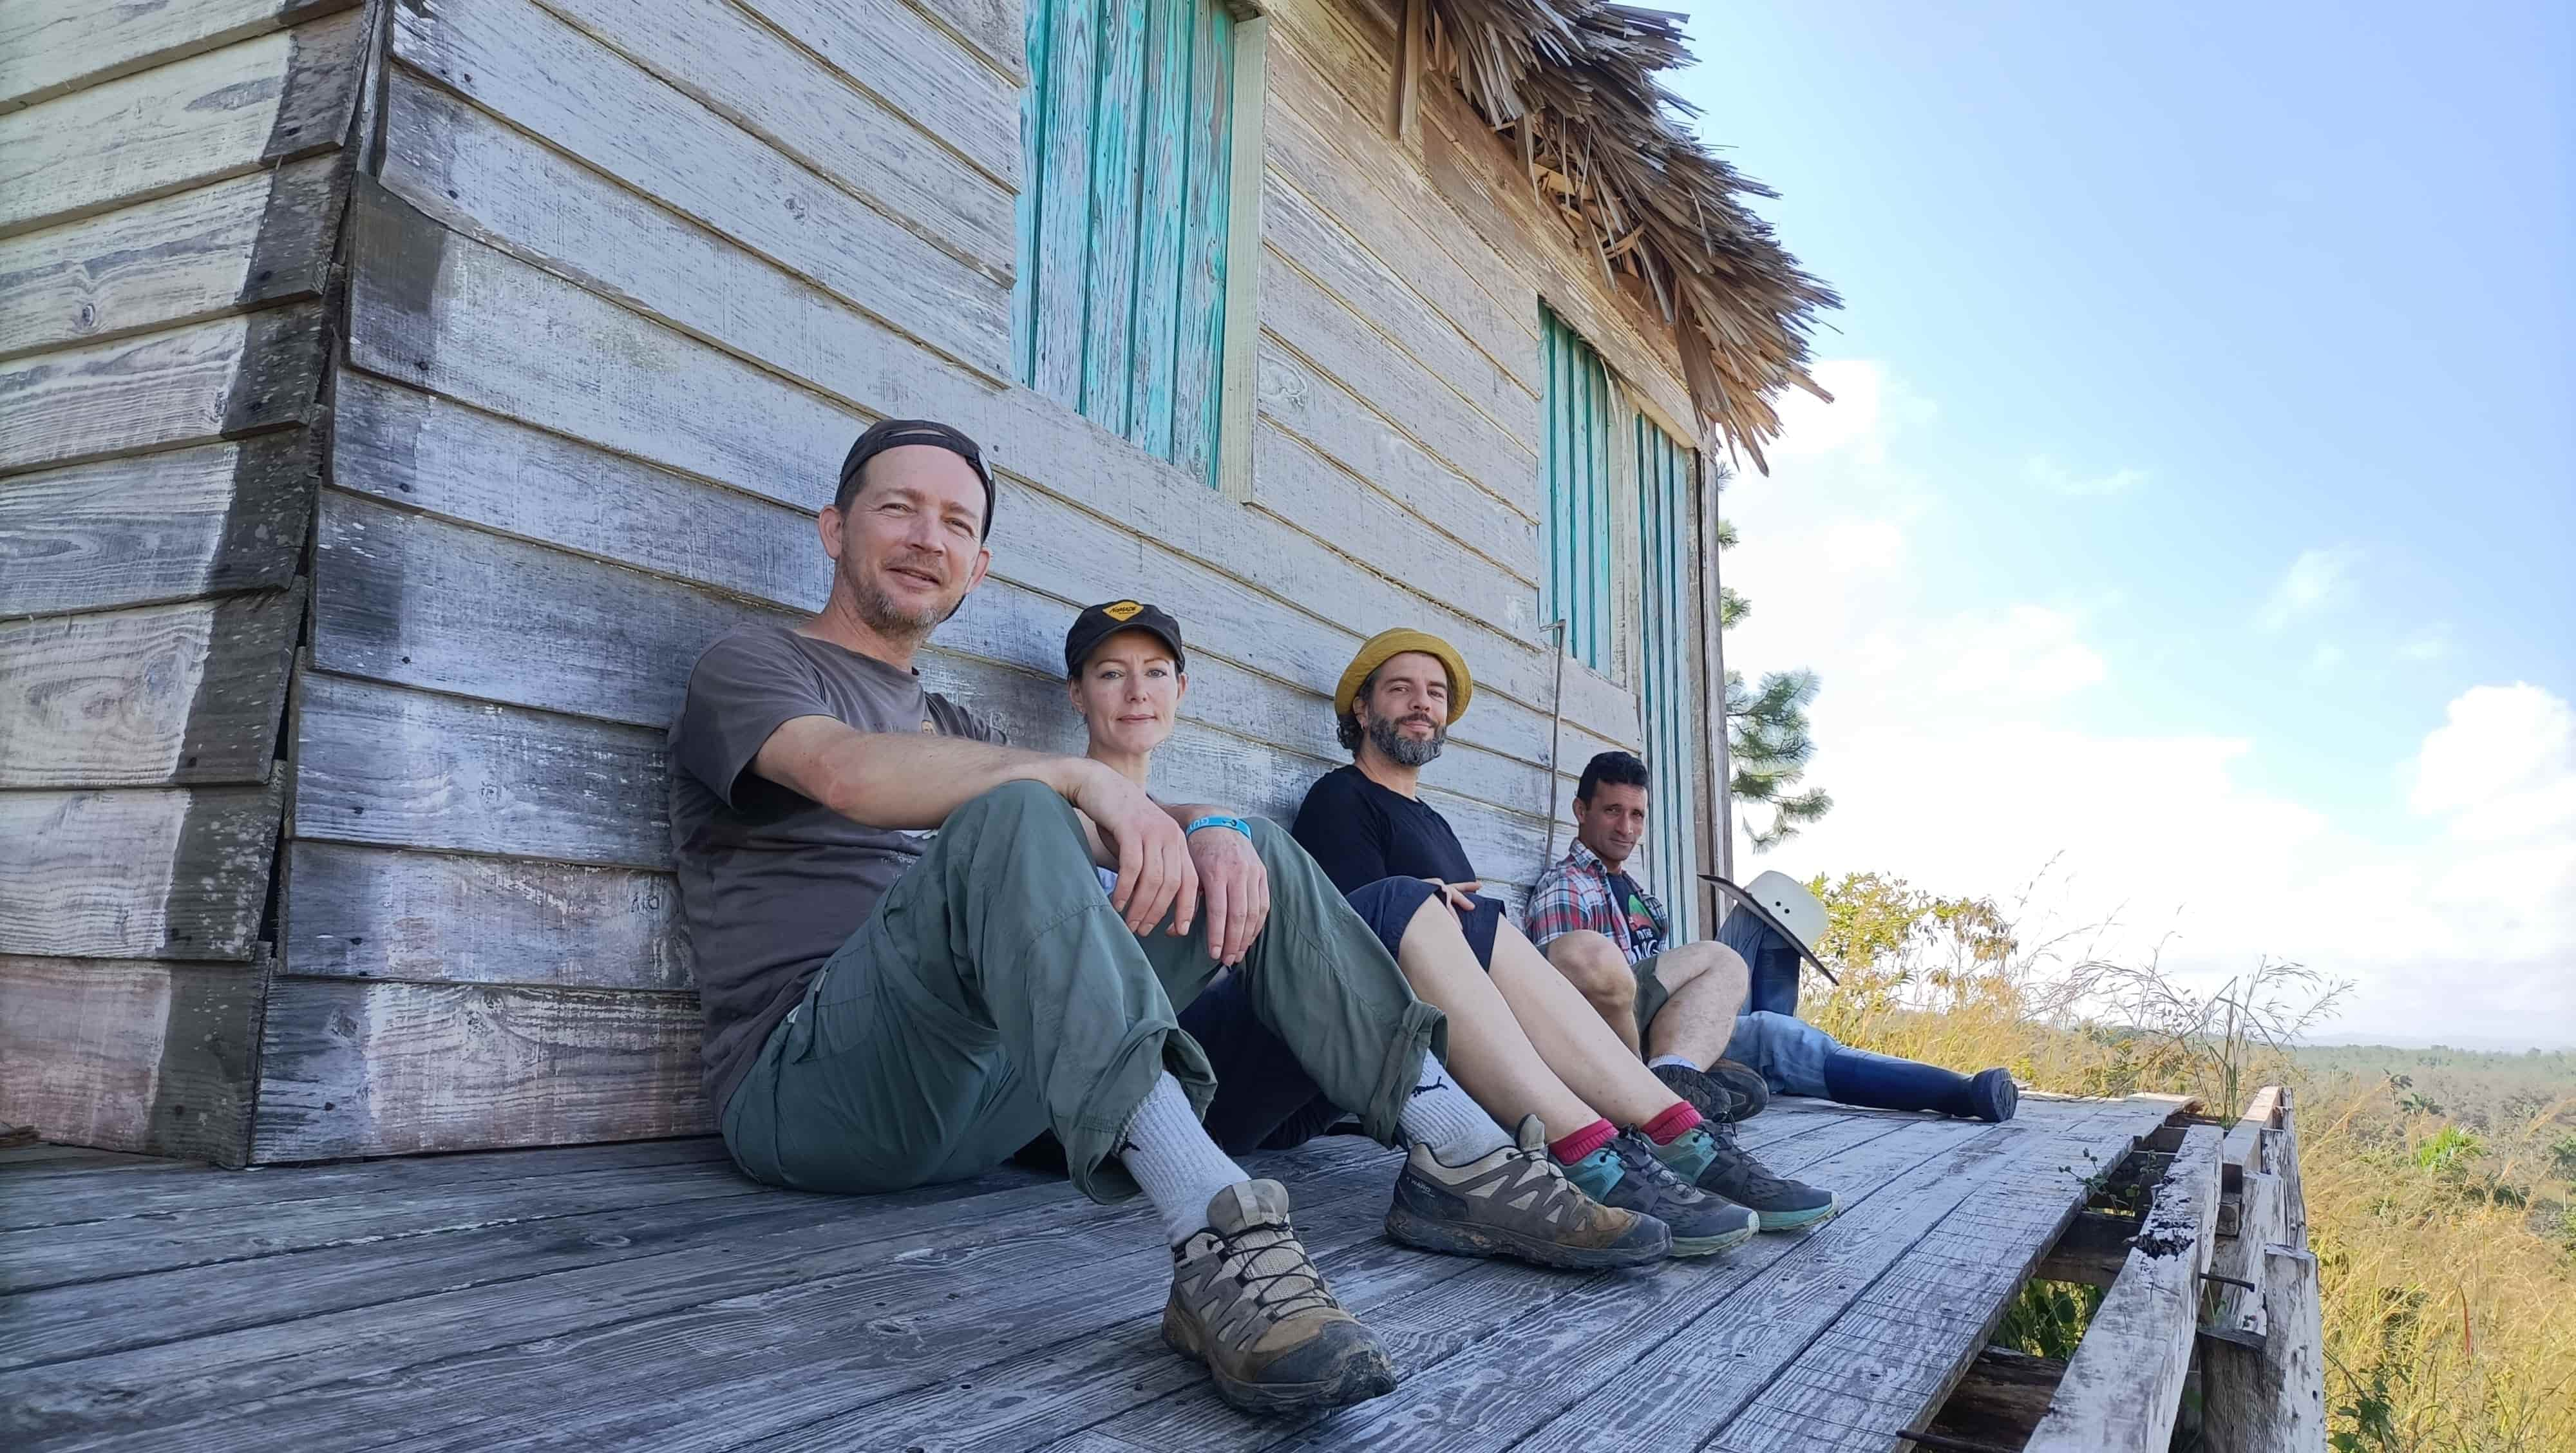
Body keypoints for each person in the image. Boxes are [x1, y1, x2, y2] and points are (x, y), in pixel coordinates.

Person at [669, 420, 1666, 1417]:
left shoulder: (958, 728)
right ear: (834, 527)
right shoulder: (755, 663)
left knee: (1256, 848)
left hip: (980, 1105)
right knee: (1020, 810)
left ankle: (1456, 1150)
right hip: (806, 1093)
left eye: (955, 522)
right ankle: (1215, 1232)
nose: (928, 537)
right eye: (899, 508)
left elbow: (1103, 825)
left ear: (978, 566)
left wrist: (1218, 825)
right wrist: (1066, 778)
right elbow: (841, 773)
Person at [1051, 600, 1692, 1264]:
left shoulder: (1211, 834)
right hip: (1150, 1082)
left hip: (1265, 1089)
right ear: (1076, 692)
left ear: (1179, 691)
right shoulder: (1048, 820)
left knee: (1446, 916)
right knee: (1393, 905)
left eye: (1155, 673)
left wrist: (1212, 828)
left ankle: (1650, 1129)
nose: (1136, 692)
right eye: (1109, 675)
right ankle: (1556, 1149)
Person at [1290, 629, 1839, 1232]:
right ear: (1362, 709)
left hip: (1477, 1039)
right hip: (1390, 1051)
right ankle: (1606, 1142)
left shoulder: (1434, 825)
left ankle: (1677, 1130)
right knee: (1440, 911)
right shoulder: (1340, 799)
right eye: (1401, 689)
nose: (1423, 703)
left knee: (1485, 923)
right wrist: (1428, 902)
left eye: (1436, 693)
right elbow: (1347, 942)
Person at [1526, 752, 2018, 1123]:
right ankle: (1675, 1082)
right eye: (1613, 811)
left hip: (1663, 1031)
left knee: (1783, 1032)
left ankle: (1962, 1093)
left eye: (1637, 815)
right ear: (1580, 810)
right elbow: (1575, 999)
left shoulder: (1635, 893)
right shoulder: (1567, 884)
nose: (1627, 828)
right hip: (1621, 1043)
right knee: (1726, 963)